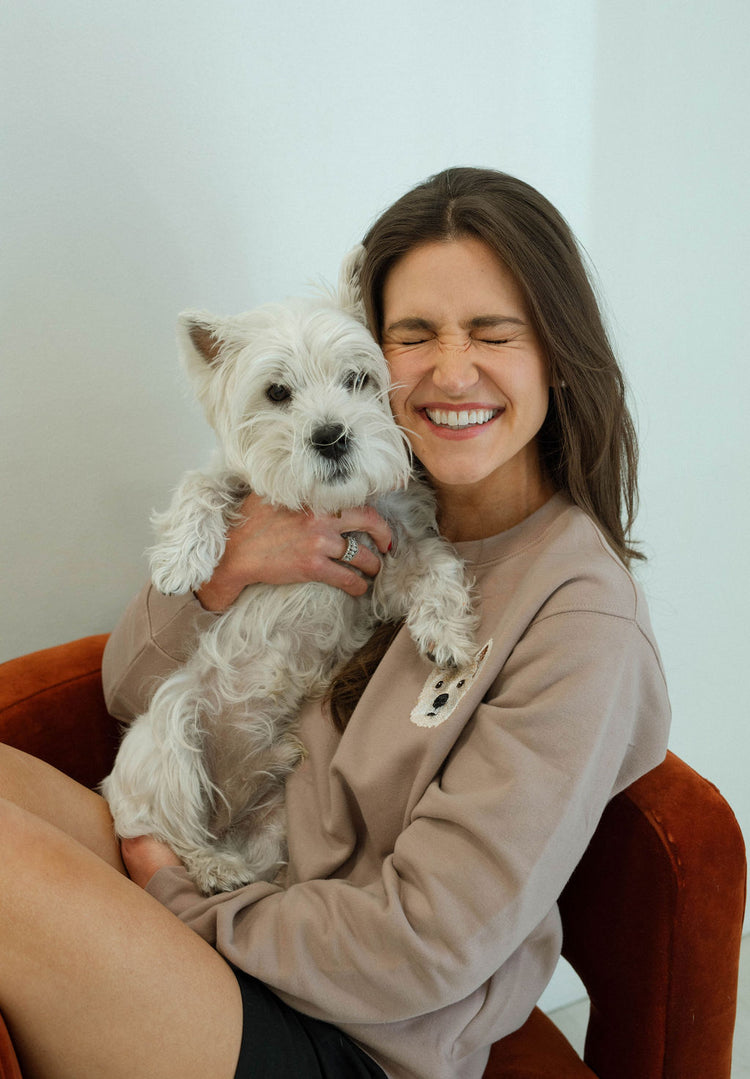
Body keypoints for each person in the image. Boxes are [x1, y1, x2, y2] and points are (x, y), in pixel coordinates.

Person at [0, 167, 670, 1079]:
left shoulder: (576, 616)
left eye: (493, 331)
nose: (450, 369)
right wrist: (230, 568)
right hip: (243, 883)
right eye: (413, 335)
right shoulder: (368, 492)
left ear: (558, 351)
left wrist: (175, 894)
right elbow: (128, 689)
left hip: (353, 1034)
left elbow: (423, 945)